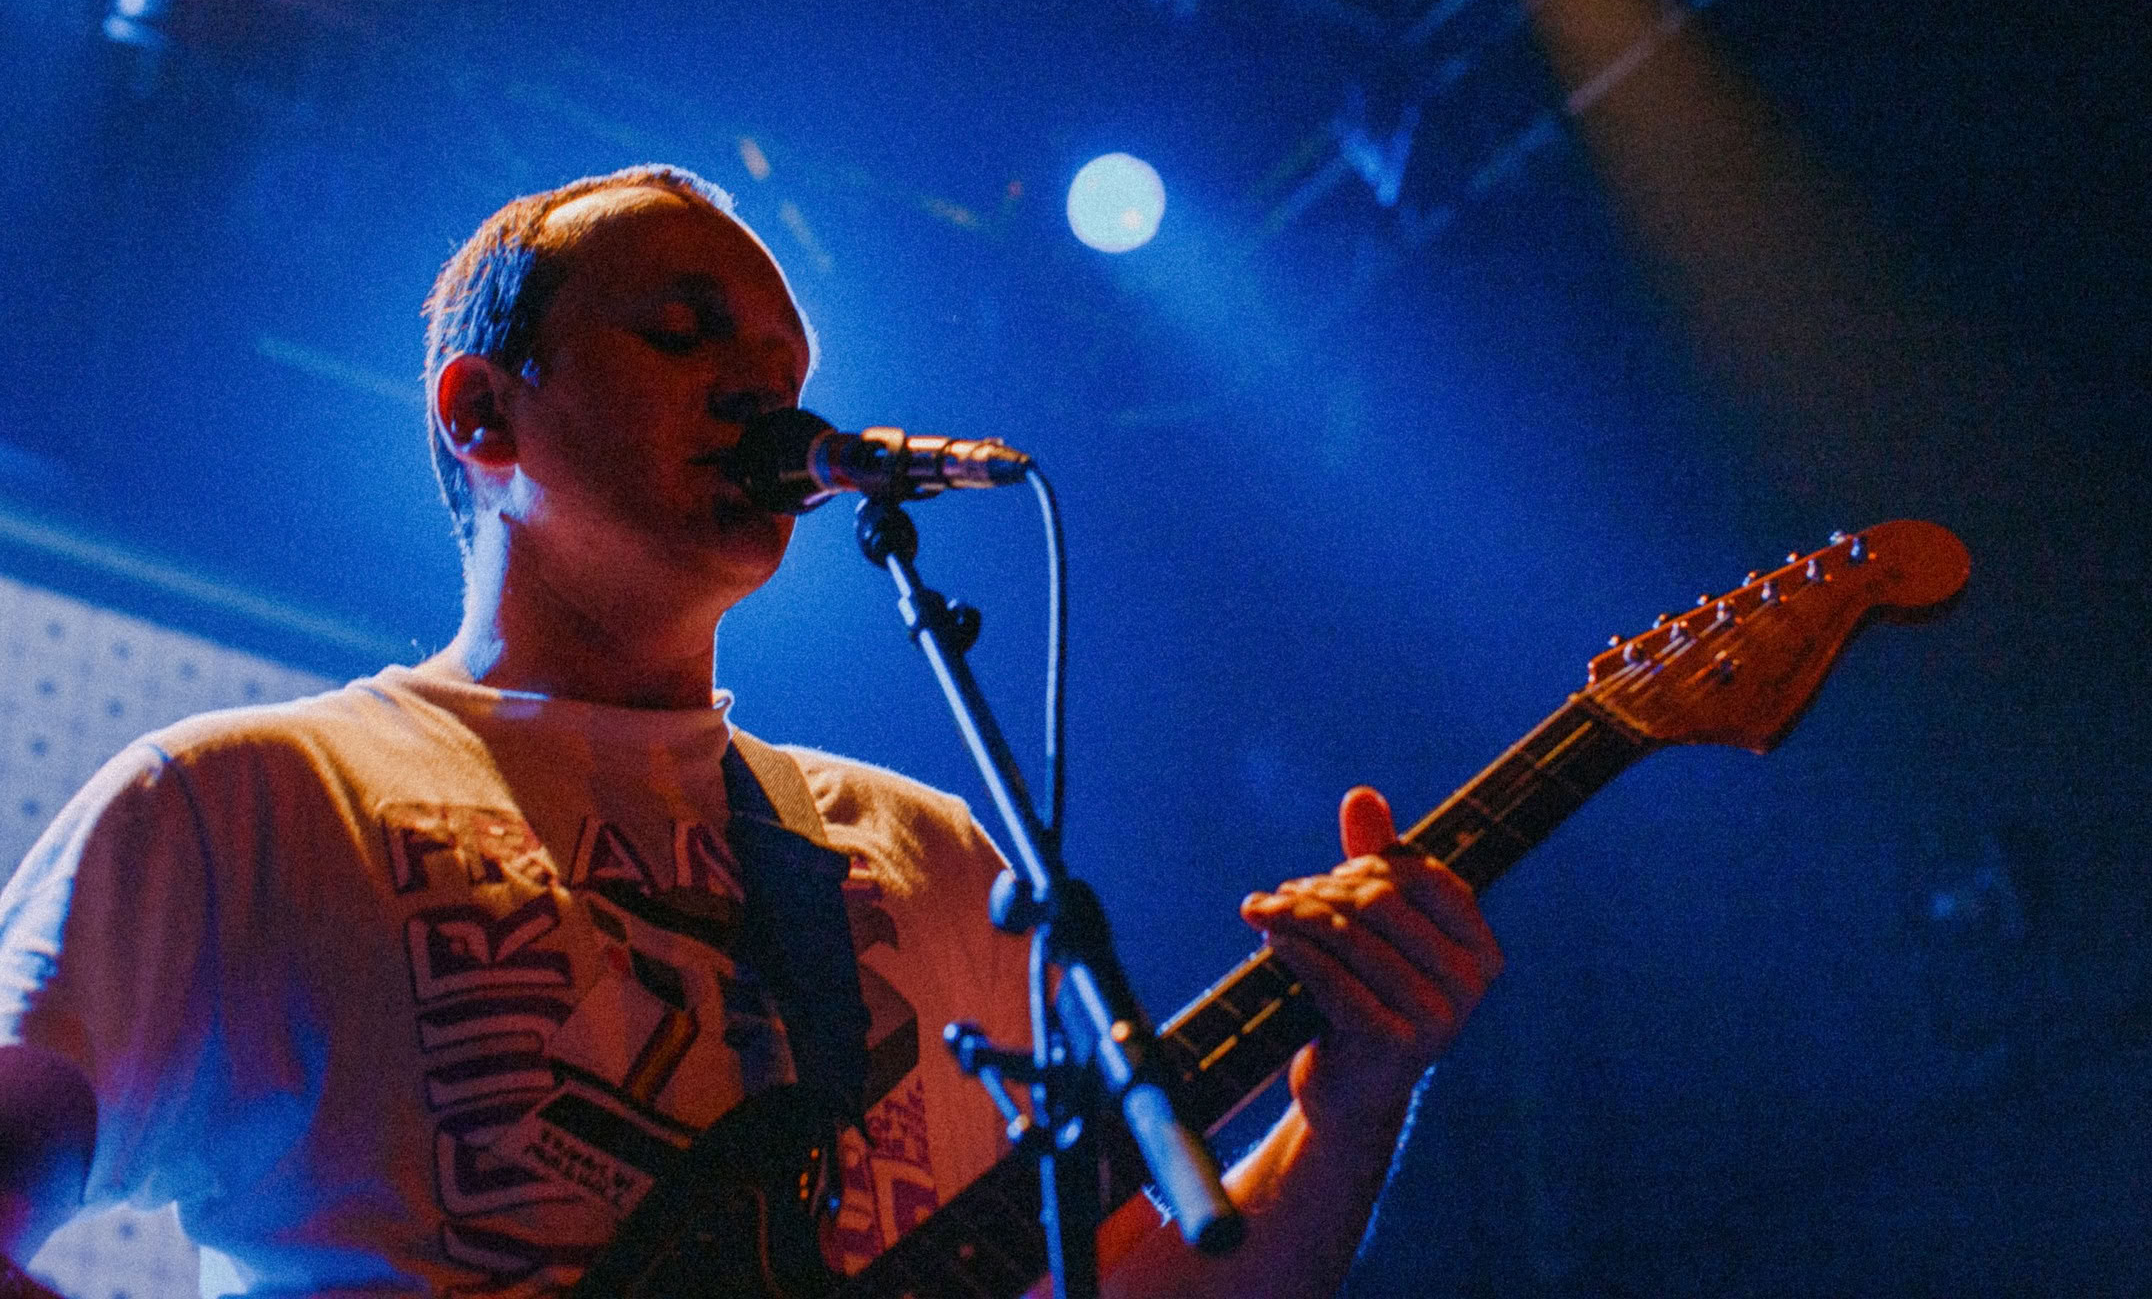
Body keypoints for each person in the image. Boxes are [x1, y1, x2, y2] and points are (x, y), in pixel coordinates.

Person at [0, 166, 1502, 1297]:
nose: (761, 398)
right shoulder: (249, 800)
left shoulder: (935, 857)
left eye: (784, 378)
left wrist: (1354, 1098)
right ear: (483, 416)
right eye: (681, 335)